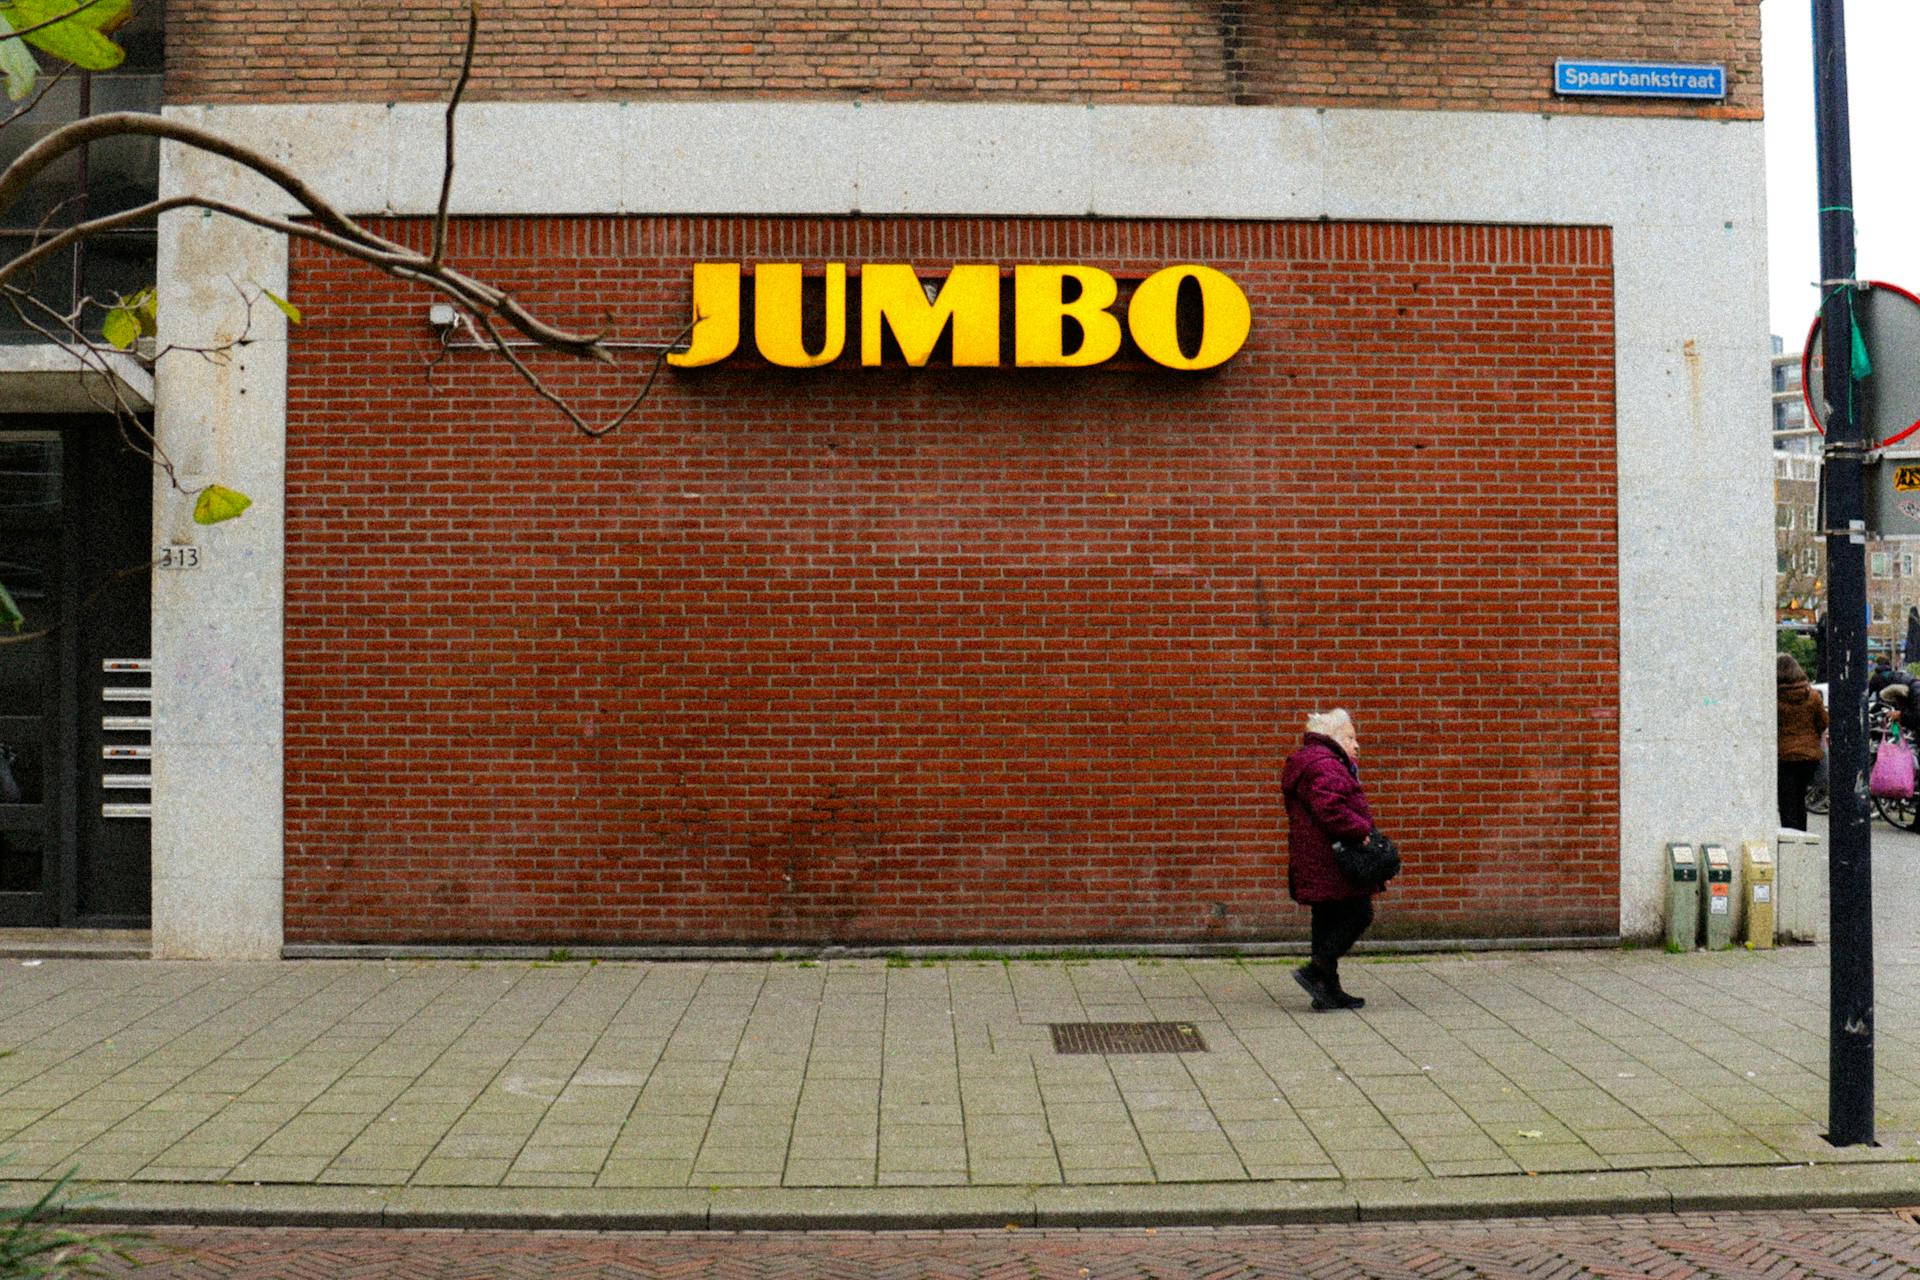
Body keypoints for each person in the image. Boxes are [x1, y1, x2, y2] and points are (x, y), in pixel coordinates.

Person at [1280, 708, 1384, 1012]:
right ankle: (1316, 970)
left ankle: (1327, 989)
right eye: (1350, 737)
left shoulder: (1313, 761)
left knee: (1325, 920)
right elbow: (1332, 810)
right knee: (1359, 912)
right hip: (1332, 858)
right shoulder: (1326, 765)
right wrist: (1363, 831)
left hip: (1316, 857)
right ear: (1333, 737)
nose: (1356, 744)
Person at [1777, 653, 1827, 830]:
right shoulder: (1812, 696)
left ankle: (1790, 840)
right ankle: (1802, 836)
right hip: (1808, 756)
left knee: (1786, 802)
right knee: (1800, 800)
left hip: (1784, 756)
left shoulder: (1774, 698)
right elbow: (1823, 722)